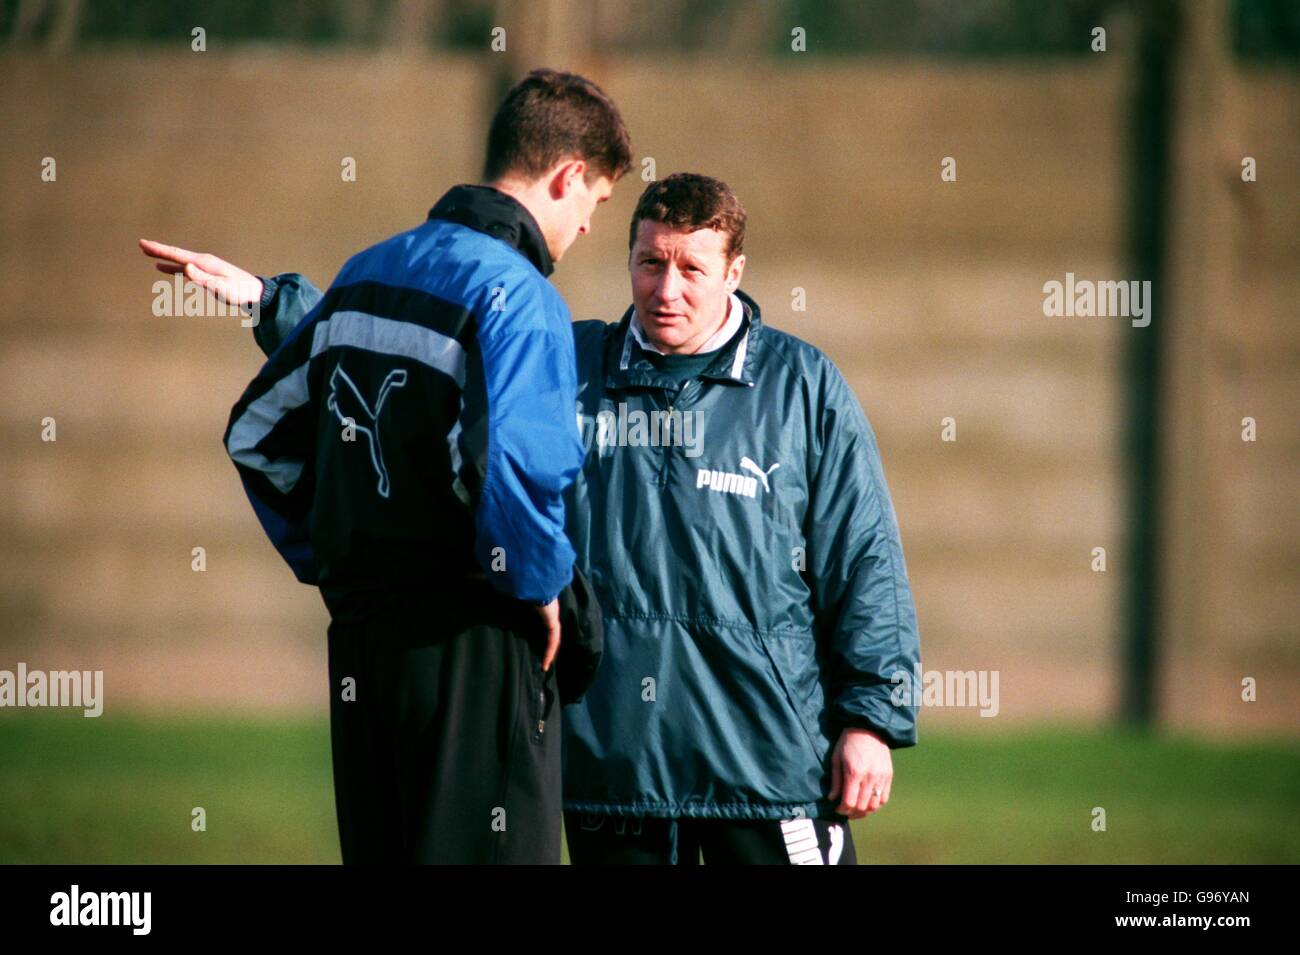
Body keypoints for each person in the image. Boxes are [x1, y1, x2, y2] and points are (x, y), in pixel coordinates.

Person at [146, 173, 921, 866]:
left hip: (769, 775)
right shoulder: (568, 365)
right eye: (650, 263)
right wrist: (274, 304)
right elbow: (411, 360)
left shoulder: (803, 387)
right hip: (611, 777)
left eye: (692, 269)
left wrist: (869, 721)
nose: (667, 289)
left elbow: (867, 559)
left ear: (735, 273)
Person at [143, 68, 631, 864]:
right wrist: (539, 581)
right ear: (570, 174)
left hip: (364, 650)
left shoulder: (371, 268)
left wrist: (344, 558)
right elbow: (511, 455)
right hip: (475, 647)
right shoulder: (522, 295)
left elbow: (260, 432)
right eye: (595, 204)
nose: (584, 229)